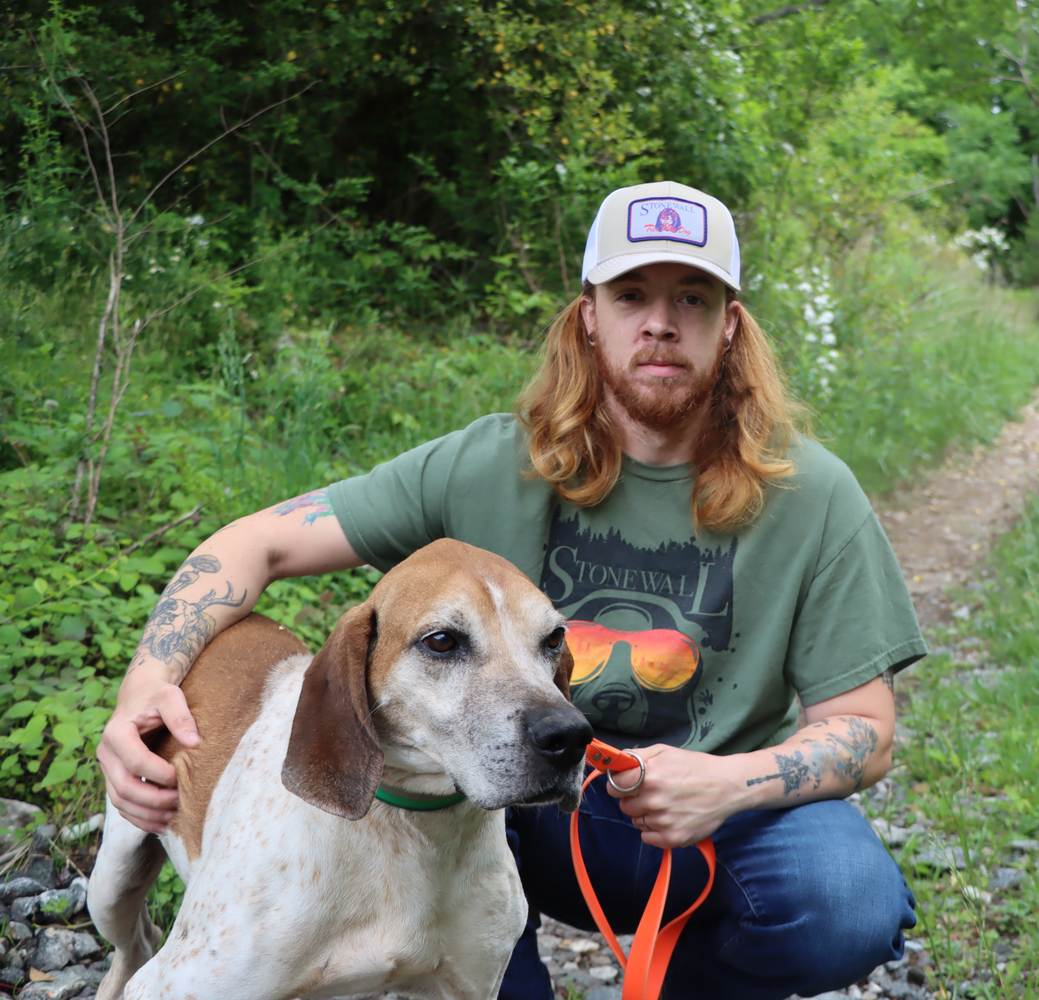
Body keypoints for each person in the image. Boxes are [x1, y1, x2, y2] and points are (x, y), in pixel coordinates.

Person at [99, 181, 925, 999]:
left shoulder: (814, 495)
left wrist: (730, 784)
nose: (661, 322)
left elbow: (866, 730)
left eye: (692, 298)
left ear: (730, 325)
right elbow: (257, 543)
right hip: (528, 805)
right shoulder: (489, 465)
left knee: (846, 901)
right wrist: (148, 681)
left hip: (718, 818)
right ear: (589, 316)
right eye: (631, 295)